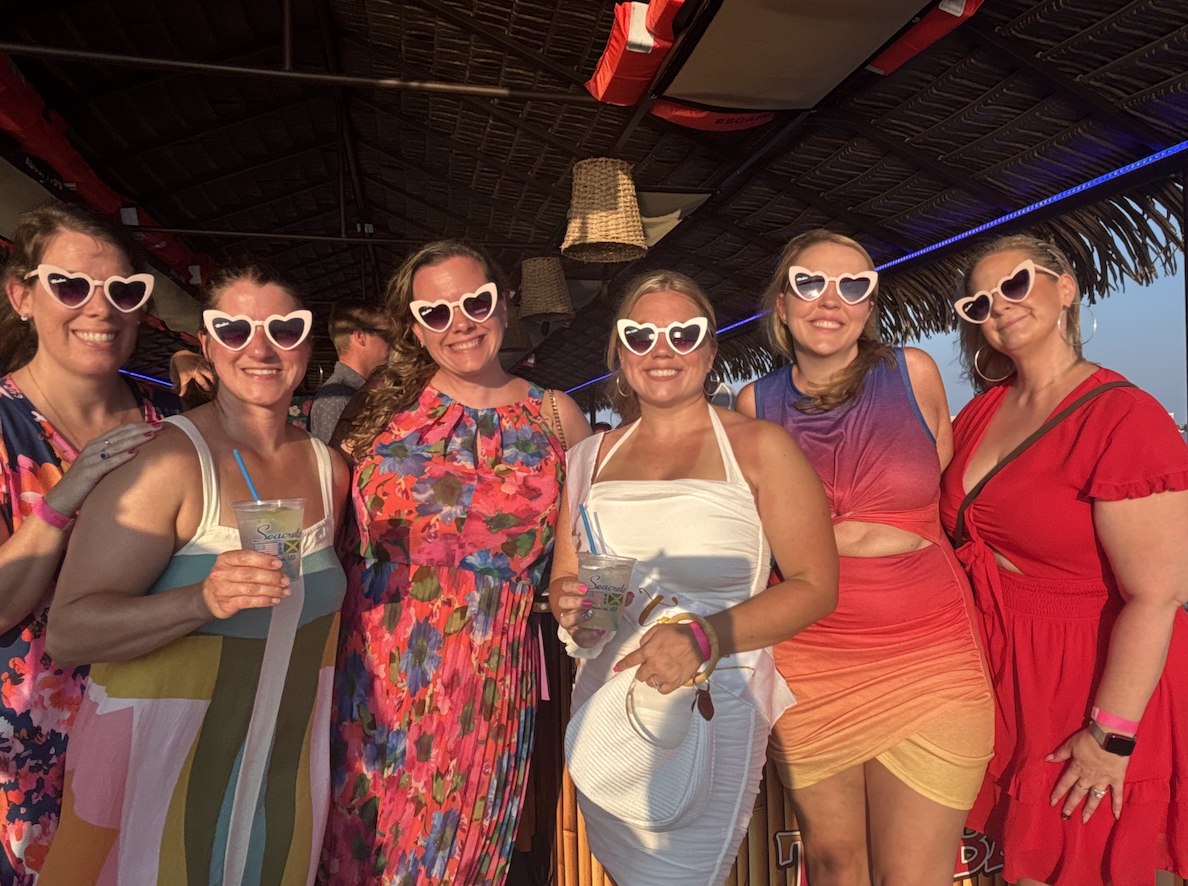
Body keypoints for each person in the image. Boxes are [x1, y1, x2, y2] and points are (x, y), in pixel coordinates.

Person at [39, 264, 350, 884]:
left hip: (276, 768)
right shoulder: (163, 463)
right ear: (207, 346)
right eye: (233, 329)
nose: (259, 348)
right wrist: (200, 600)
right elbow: (69, 633)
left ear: (306, 347)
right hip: (156, 763)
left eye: (283, 329)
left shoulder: (330, 469)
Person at [551, 271, 839, 886]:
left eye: (684, 334)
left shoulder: (761, 448)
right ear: (619, 352)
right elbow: (567, 579)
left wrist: (702, 638)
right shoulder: (586, 459)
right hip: (608, 695)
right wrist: (569, 602)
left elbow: (816, 586)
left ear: (709, 352)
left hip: (716, 691)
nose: (662, 349)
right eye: (641, 334)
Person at [320, 241, 590, 886]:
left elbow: (581, 553)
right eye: (435, 312)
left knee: (459, 855)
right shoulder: (378, 408)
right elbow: (321, 527)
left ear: (503, 304)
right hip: (373, 669)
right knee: (359, 847)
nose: (459, 322)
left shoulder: (556, 415)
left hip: (488, 669)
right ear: (413, 325)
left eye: (474, 302)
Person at [735, 230, 994, 886]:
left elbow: (939, 489)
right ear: (782, 305)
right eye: (810, 283)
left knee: (917, 872)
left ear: (870, 306)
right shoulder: (751, 405)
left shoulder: (913, 372)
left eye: (854, 286)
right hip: (810, 651)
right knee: (832, 863)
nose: (831, 299)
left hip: (929, 648)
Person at [939, 234, 1188, 886]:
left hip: (1090, 676)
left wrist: (1111, 737)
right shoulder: (982, 411)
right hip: (1005, 669)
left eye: (1015, 283)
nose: (999, 305)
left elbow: (1158, 594)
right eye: (979, 302)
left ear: (1066, 288)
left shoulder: (1123, 418)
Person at [0, 203, 180, 883]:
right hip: (33, 764)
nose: (99, 309)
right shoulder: (5, 428)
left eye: (123, 290)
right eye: (71, 286)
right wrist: (63, 498)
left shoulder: (171, 430)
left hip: (156, 733)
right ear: (23, 296)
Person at [309, 298, 391, 442]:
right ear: (360, 336)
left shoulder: (354, 391)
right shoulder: (335, 398)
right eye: (387, 335)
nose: (394, 343)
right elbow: (333, 461)